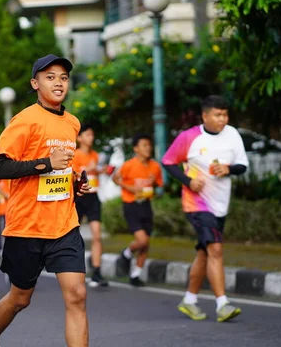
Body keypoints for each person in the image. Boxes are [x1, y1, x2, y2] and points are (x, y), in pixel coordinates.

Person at [0, 54, 91, 347]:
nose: (58, 83)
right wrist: (46, 163)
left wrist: (74, 184)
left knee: (77, 295)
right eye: (50, 77)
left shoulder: (72, 123)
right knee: (20, 298)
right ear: (35, 83)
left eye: (63, 77)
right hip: (26, 227)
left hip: (64, 224)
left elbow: (62, 167)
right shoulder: (24, 120)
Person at [162, 95, 248, 322]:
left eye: (225, 114)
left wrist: (228, 169)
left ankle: (189, 301)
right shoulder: (189, 137)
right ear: (205, 116)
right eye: (218, 115)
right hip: (197, 204)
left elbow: (242, 165)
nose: (223, 119)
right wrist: (188, 182)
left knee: (204, 252)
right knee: (216, 250)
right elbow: (168, 161)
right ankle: (223, 304)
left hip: (221, 204)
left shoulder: (233, 134)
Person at [112, 134, 163, 287]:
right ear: (136, 149)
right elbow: (115, 178)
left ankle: (135, 275)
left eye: (149, 145)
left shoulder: (155, 166)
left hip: (146, 205)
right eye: (144, 145)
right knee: (142, 240)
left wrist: (153, 185)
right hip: (131, 205)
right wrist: (131, 188)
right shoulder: (129, 165)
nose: (148, 148)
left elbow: (159, 186)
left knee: (145, 244)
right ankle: (127, 252)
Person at [72, 124, 108, 288]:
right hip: (79, 197)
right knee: (73, 236)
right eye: (87, 135)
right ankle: (72, 271)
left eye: (92, 135)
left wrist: (101, 171)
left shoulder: (95, 155)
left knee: (97, 235)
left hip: (93, 197)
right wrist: (88, 169)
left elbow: (95, 172)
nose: (90, 138)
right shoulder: (75, 155)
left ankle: (97, 272)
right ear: (79, 138)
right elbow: (72, 176)